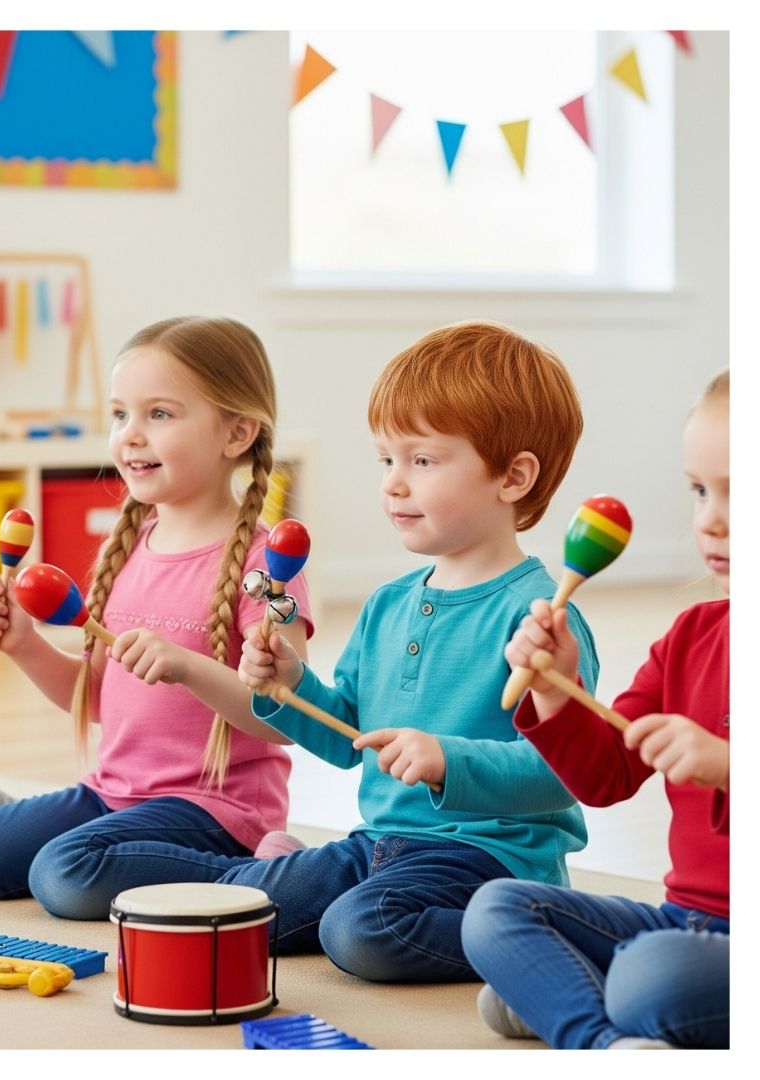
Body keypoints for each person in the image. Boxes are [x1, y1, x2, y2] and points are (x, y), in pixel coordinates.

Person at [207, 320, 599, 984]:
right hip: (380, 845)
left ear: (513, 476)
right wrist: (288, 684)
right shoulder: (388, 603)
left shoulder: (540, 618)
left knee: (362, 932)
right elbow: (346, 737)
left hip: (490, 857)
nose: (393, 483)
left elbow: (564, 772)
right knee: (232, 905)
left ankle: (543, 928)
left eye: (422, 460)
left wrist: (448, 760)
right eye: (386, 459)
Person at [0, 316, 313, 912]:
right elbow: (99, 699)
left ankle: (272, 871)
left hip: (213, 811)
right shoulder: (128, 547)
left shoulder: (268, 568)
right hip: (113, 793)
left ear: (236, 433)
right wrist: (24, 644)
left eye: (158, 414)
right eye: (120, 415)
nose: (130, 435)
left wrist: (189, 667)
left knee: (65, 874)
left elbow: (289, 720)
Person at [461, 370, 729, 1049]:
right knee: (495, 908)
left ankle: (573, 1002)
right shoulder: (694, 636)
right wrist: (558, 684)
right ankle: (606, 1041)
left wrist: (731, 765)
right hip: (683, 923)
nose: (711, 519)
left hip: (693, 952)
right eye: (699, 490)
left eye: (740, 492)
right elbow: (604, 778)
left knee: (650, 978)